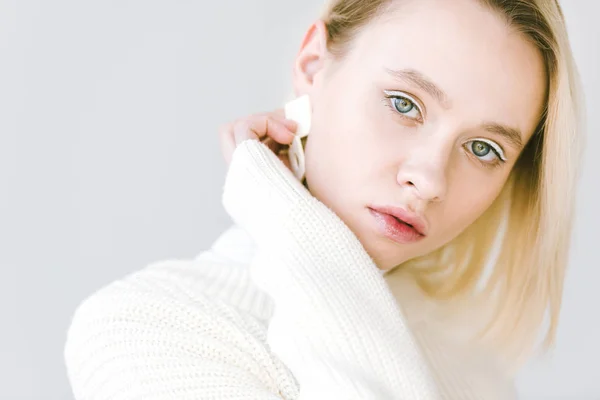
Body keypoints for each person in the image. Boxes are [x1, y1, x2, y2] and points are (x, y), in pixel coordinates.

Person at [64, 0, 585, 398]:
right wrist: (289, 226)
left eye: (483, 148)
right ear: (313, 65)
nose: (428, 179)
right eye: (404, 103)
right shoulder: (144, 326)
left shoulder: (476, 374)